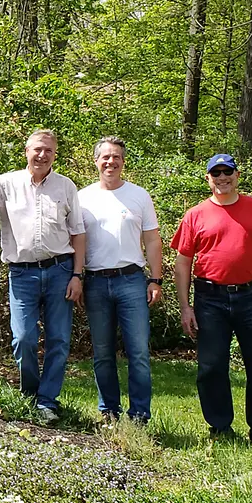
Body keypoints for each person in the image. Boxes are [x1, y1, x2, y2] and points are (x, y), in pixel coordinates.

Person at [171, 153, 252, 445]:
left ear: (237, 175)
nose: (223, 178)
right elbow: (183, 262)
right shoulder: (195, 215)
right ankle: (220, 428)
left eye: (227, 172)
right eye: (216, 173)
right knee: (211, 367)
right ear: (208, 179)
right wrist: (185, 307)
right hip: (210, 298)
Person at [0, 129, 87, 423]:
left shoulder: (66, 187)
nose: (42, 155)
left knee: (59, 340)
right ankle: (30, 394)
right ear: (26, 151)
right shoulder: (6, 184)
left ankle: (47, 402)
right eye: (37, 149)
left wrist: (77, 275)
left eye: (49, 151)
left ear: (55, 155)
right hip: (22, 273)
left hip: (61, 270)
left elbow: (78, 232)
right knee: (24, 338)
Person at [79, 137, 162, 423]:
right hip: (96, 282)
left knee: (138, 352)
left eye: (116, 157)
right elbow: (75, 242)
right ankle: (109, 412)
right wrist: (76, 277)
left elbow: (152, 239)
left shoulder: (139, 195)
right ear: (96, 161)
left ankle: (139, 414)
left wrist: (156, 278)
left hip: (132, 281)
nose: (110, 162)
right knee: (102, 353)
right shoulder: (82, 198)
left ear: (123, 162)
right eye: (105, 157)